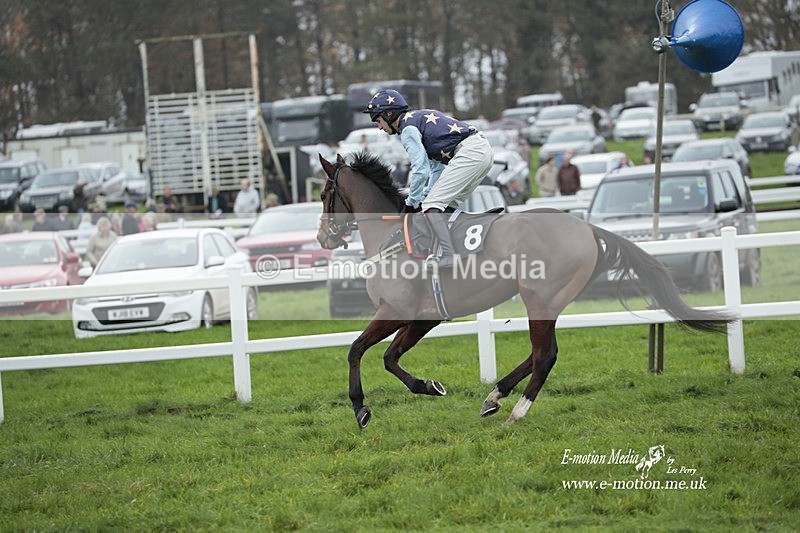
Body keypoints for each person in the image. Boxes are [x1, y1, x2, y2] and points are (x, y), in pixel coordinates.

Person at [364, 89, 493, 268]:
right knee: (444, 206)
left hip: (471, 152)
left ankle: (448, 255)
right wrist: (425, 196)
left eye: (378, 121)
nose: (379, 127)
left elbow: (420, 170)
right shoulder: (416, 120)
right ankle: (456, 250)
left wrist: (411, 202)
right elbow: (436, 169)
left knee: (432, 207)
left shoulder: (408, 130)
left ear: (389, 114)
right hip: (481, 151)